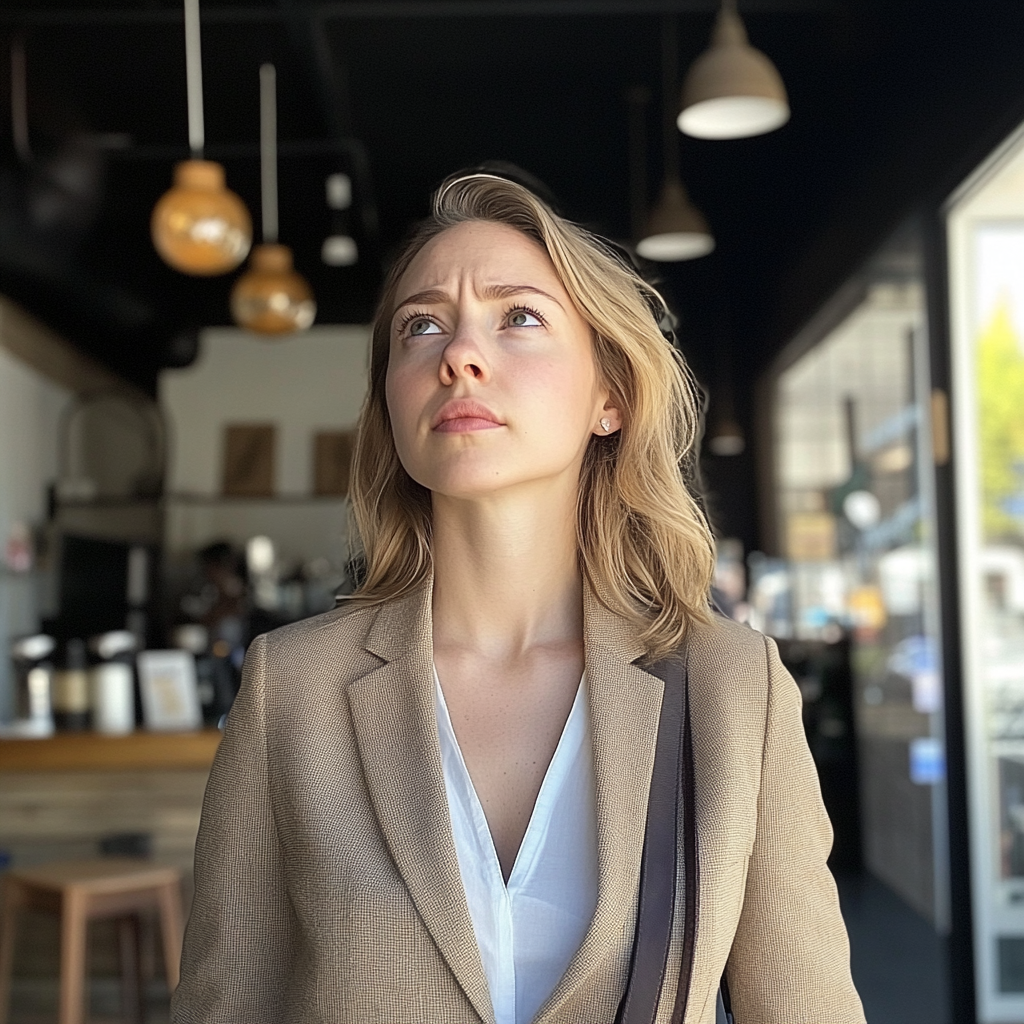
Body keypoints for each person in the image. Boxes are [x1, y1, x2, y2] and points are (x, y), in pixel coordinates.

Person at [172, 173, 865, 1024]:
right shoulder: (292, 689)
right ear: (391, 403)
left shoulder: (732, 688)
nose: (458, 355)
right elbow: (224, 1005)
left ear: (609, 396)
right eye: (419, 326)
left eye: (520, 317)